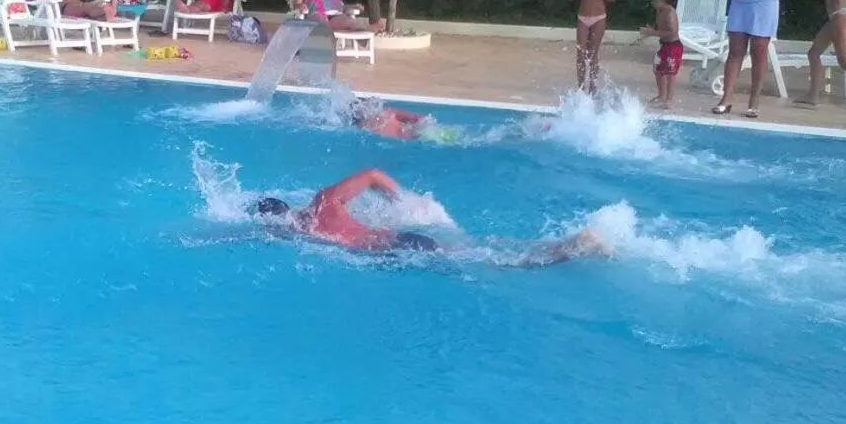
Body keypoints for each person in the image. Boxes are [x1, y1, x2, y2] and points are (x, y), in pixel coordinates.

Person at [248, 169, 610, 264]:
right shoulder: (323, 202)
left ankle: (575, 247)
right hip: (400, 242)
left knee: (499, 263)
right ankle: (571, 244)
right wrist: (402, 201)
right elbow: (372, 173)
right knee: (490, 250)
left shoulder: (299, 233)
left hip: (398, 250)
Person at [567, 0, 617, 94]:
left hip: (598, 18)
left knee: (593, 54)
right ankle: (581, 88)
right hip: (582, 18)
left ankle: (593, 87)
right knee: (581, 54)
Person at [640, 0, 683, 109]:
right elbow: (660, 28)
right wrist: (651, 30)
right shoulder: (660, 11)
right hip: (664, 46)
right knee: (657, 70)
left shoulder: (670, 13)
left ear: (663, 0)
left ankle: (670, 99)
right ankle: (661, 96)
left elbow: (672, 32)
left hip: (673, 47)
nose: (652, 2)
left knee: (670, 73)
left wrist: (653, 33)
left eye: (655, 0)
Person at [347, 97, 430, 139]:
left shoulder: (389, 114)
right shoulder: (388, 116)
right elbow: (420, 119)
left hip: (421, 133)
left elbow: (420, 119)